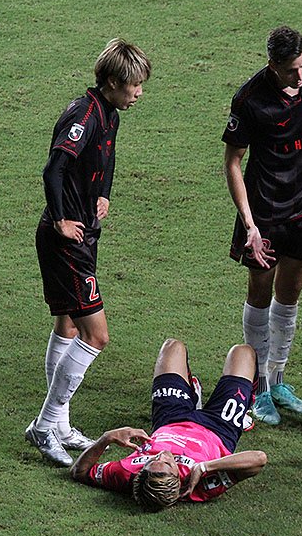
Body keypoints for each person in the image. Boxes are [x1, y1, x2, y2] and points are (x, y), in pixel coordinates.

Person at [25, 38, 151, 467]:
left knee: (68, 324)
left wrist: (104, 193)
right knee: (96, 335)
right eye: (134, 85)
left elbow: (106, 159)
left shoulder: (108, 113)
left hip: (82, 235)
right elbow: (53, 168)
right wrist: (61, 219)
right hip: (67, 242)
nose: (139, 93)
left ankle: (59, 424)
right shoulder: (84, 115)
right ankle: (44, 425)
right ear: (112, 81)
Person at [222, 26, 302, 426]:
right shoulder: (249, 99)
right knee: (260, 290)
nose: (300, 76)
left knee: (291, 290)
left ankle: (277, 378)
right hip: (264, 209)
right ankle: (257, 386)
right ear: (272, 66)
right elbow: (233, 162)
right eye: (291, 70)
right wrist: (249, 225)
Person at [69, 338, 268, 510]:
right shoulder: (202, 485)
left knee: (173, 347)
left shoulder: (127, 474)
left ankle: (191, 397)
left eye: (149, 462)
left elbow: (80, 472)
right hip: (219, 428)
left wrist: (107, 438)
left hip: (170, 418)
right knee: (243, 352)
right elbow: (258, 459)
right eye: (167, 463)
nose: (162, 454)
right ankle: (244, 409)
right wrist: (205, 467)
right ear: (178, 480)